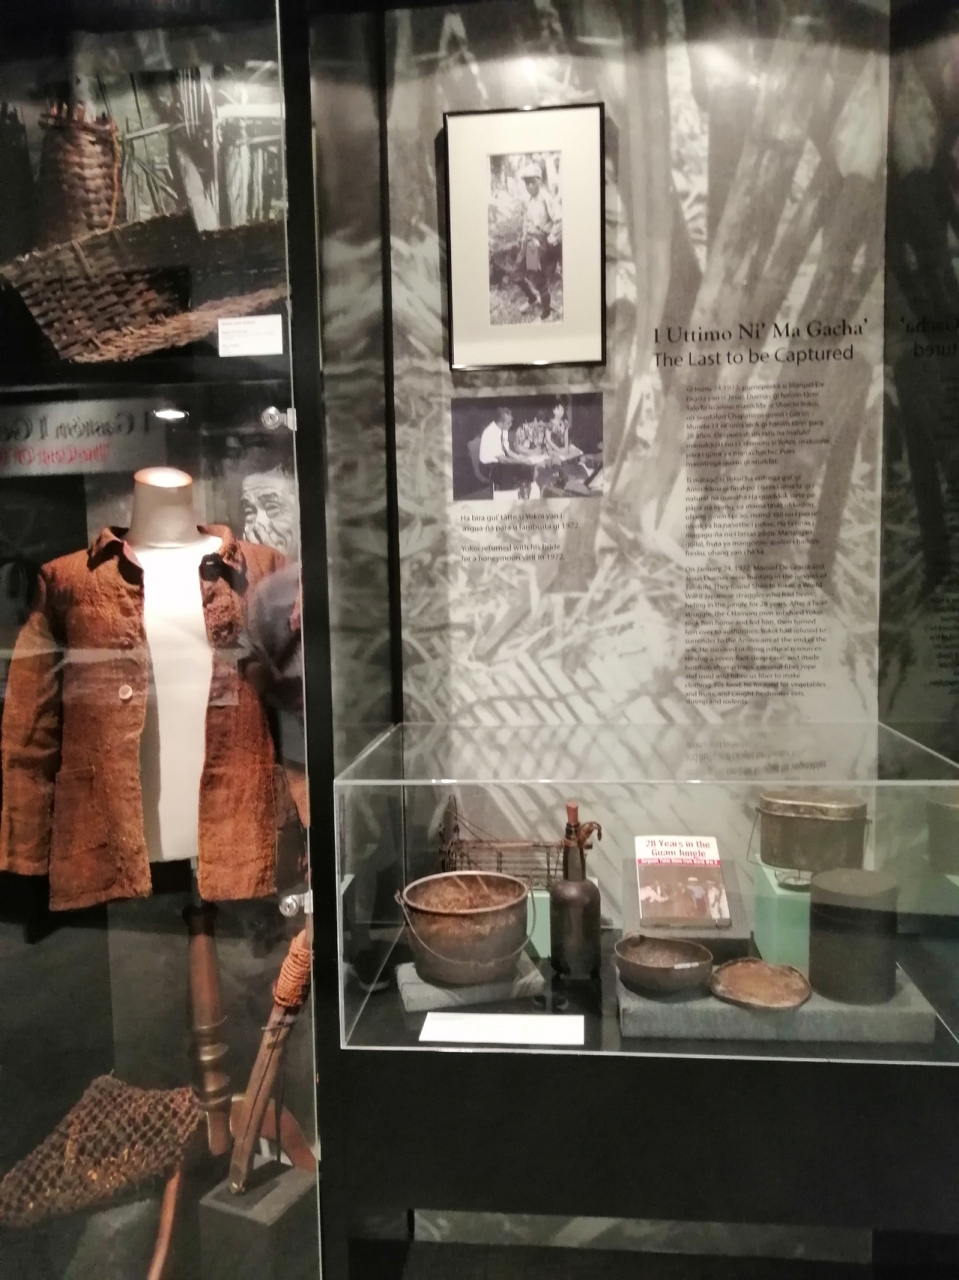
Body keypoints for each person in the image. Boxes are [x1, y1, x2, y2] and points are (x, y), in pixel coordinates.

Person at [517, 161, 561, 319]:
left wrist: (551, 237)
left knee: (536, 275)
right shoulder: (529, 200)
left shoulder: (546, 198)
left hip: (538, 241)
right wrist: (523, 238)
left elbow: (559, 219)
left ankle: (546, 311)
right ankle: (532, 299)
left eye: (532, 182)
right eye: (526, 183)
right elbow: (527, 221)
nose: (529, 186)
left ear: (540, 181)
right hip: (528, 239)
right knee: (516, 274)